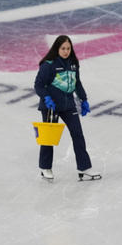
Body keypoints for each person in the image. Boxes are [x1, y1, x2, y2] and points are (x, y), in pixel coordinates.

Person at [33, 35, 100, 182]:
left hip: (68, 105)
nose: (66, 51)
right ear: (57, 48)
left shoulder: (73, 63)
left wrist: (83, 100)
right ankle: (45, 167)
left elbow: (77, 84)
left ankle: (84, 167)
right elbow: (38, 85)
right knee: (48, 138)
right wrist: (46, 98)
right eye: (63, 48)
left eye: (68, 48)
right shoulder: (48, 64)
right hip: (51, 106)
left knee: (78, 135)